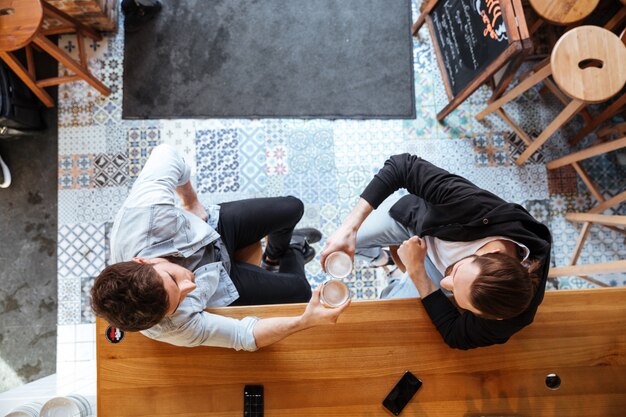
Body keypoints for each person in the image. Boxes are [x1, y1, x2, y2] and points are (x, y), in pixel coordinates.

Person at [91, 144, 350, 351]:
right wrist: (305, 321)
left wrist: (190, 200)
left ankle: (274, 255)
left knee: (293, 208)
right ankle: (292, 249)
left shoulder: (146, 215)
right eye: (178, 300)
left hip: (212, 230)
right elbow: (243, 335)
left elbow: (166, 154)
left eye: (173, 278)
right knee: (300, 290)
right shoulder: (166, 326)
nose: (190, 285)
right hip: (222, 283)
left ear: (143, 261)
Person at [321, 153, 551, 350]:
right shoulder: (473, 206)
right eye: (457, 271)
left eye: (458, 297)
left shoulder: (508, 314)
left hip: (423, 267)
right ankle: (382, 259)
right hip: (414, 222)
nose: (444, 284)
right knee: (349, 244)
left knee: (388, 307)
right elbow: (403, 165)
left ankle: (394, 269)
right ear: (493, 253)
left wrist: (418, 271)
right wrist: (349, 228)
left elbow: (455, 335)